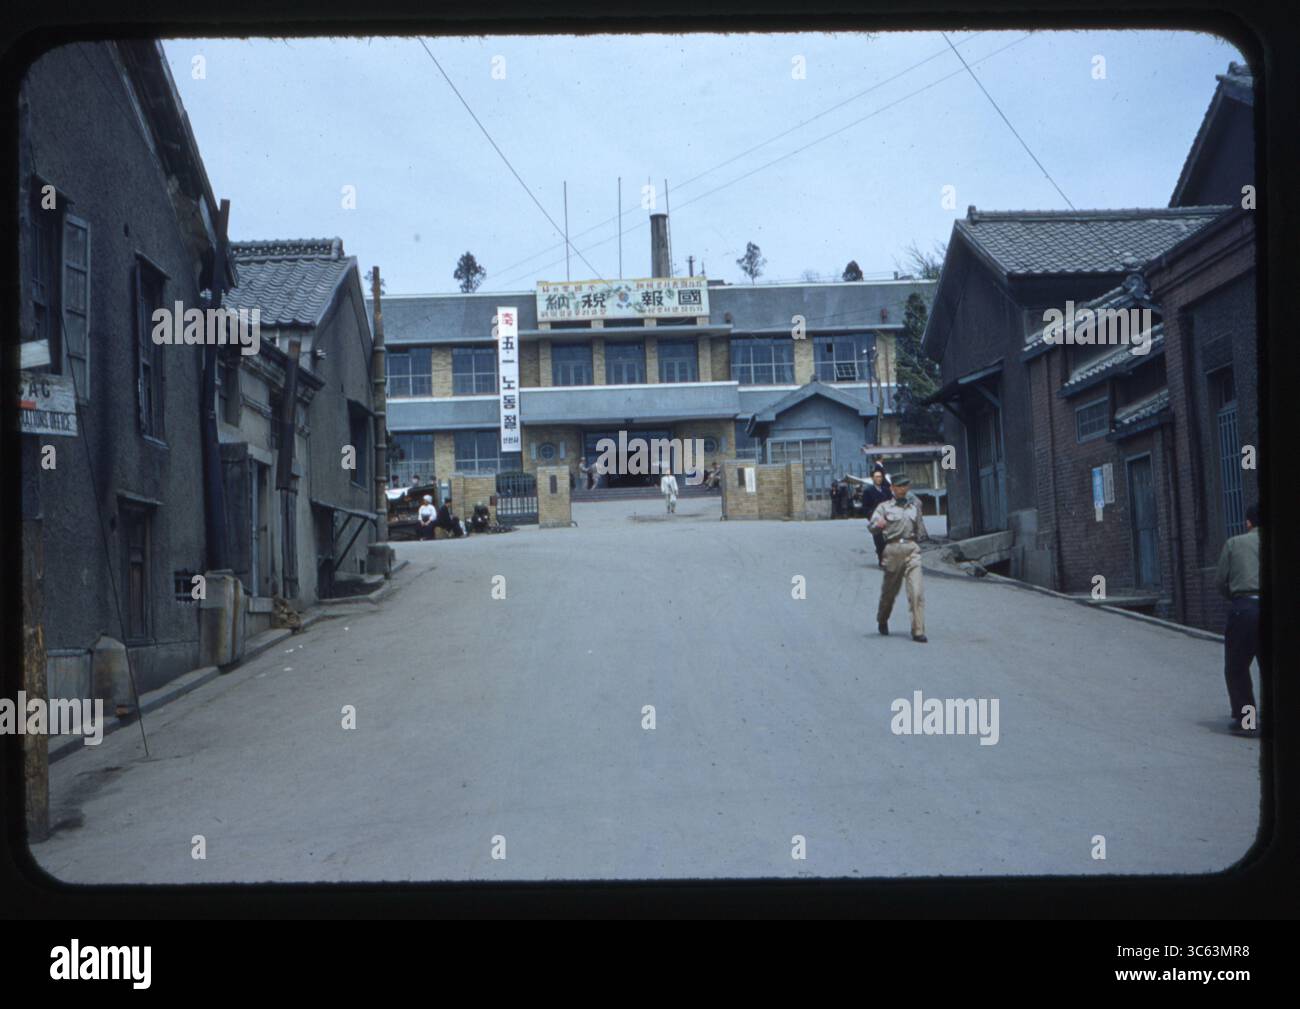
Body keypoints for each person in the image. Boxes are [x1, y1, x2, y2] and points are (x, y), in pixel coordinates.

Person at [1215, 502, 1264, 736]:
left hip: (1245, 608)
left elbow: (1221, 582)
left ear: (1248, 522)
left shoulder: (1235, 544)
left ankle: (1247, 720)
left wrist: (1235, 598)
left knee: (1237, 666)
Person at [870, 475, 929, 642]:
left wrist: (922, 542)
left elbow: (920, 529)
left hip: (912, 549)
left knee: (916, 592)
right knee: (889, 593)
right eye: (899, 486)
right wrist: (878, 524)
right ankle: (882, 619)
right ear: (892, 489)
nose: (903, 489)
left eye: (906, 486)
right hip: (893, 550)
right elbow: (872, 527)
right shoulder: (884, 508)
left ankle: (918, 630)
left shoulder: (914, 506)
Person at [859, 465, 893, 567]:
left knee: (889, 540)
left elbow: (891, 503)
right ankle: (881, 558)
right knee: (879, 541)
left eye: (880, 477)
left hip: (888, 518)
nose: (879, 479)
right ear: (873, 478)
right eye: (876, 477)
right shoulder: (868, 491)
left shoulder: (886, 490)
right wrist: (872, 516)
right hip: (876, 519)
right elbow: (865, 507)